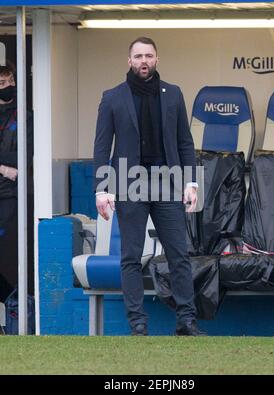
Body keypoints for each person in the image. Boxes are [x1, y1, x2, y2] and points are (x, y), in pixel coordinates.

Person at [94, 37, 205, 336]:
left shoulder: (174, 94)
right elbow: (102, 147)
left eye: (149, 56)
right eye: (138, 56)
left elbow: (185, 142)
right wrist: (102, 190)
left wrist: (192, 182)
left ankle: (186, 321)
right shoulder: (112, 97)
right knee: (130, 256)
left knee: (178, 254)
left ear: (157, 59)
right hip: (129, 184)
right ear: (129, 61)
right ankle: (138, 324)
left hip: (168, 182)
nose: (144, 61)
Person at [0, 64, 34, 302]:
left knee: (12, 252)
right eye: (2, 84)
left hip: (13, 196)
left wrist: (12, 167)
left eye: (10, 81)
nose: (8, 86)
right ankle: (11, 299)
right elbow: (10, 164)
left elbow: (26, 155)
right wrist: (3, 168)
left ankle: (18, 303)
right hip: (7, 182)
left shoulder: (24, 115)